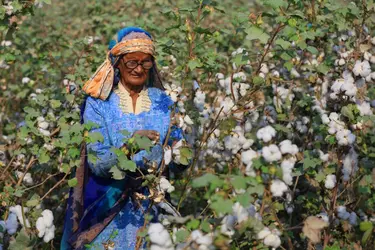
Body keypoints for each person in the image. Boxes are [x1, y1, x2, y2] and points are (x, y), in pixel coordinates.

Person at [61, 27, 185, 250]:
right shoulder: (99, 104)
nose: (138, 69)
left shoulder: (164, 102)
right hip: (105, 211)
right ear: (117, 63)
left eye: (145, 62)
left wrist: (181, 154)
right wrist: (130, 146)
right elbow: (97, 163)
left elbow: (178, 154)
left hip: (151, 207)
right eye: (131, 62)